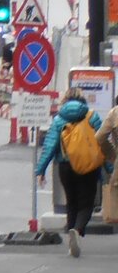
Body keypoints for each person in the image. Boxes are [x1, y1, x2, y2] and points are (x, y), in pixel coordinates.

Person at [36, 87, 103, 257]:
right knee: (87, 203)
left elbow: (50, 145)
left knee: (71, 202)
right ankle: (78, 230)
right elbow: (102, 143)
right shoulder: (92, 116)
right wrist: (109, 168)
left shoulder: (59, 119)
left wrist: (40, 170)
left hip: (65, 167)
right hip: (89, 167)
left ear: (65, 100)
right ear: (82, 100)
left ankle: (70, 240)